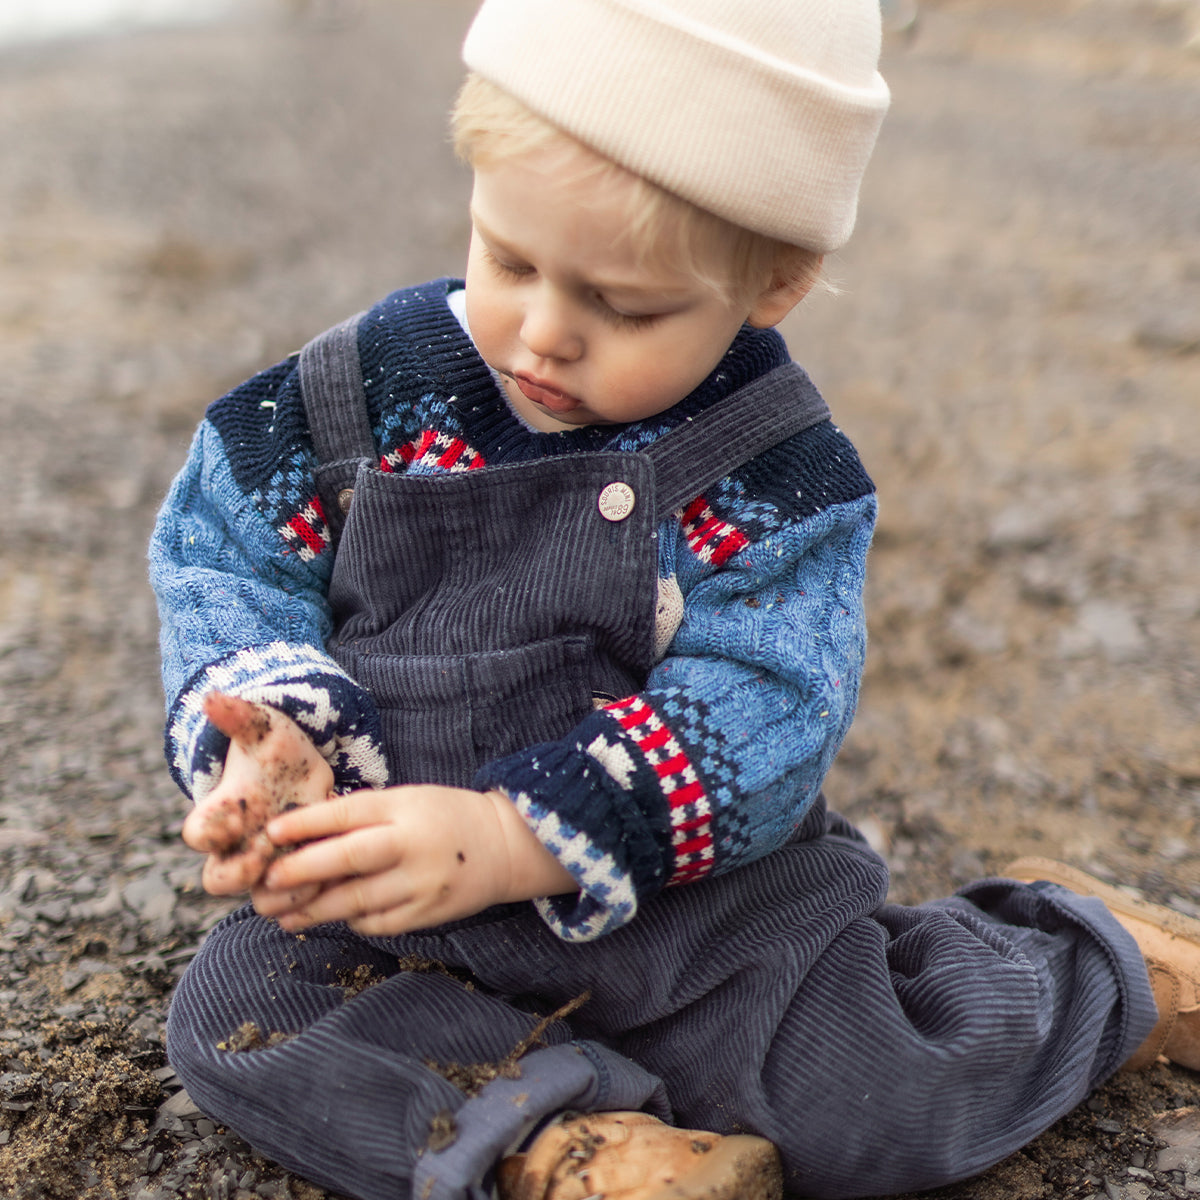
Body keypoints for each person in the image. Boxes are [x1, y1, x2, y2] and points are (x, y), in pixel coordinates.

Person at [150, 2, 1200, 1198]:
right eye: (509, 258)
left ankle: (1087, 965)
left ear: (777, 281)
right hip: (399, 911)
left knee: (879, 1101)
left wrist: (517, 837)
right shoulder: (345, 403)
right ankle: (568, 1143)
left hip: (691, 921)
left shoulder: (771, 473)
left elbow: (770, 696)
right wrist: (274, 725)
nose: (543, 336)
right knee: (238, 1015)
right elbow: (228, 561)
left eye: (627, 307)